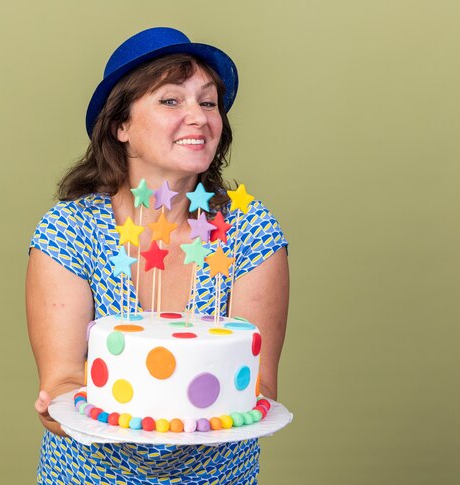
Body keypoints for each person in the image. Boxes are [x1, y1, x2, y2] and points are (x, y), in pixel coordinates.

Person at [26, 27, 289, 484]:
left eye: (208, 102)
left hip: (220, 476)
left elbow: (258, 385)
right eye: (171, 100)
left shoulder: (250, 229)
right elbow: (65, 382)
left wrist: (185, 417)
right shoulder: (70, 231)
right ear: (120, 125)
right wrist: (61, 410)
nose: (198, 117)